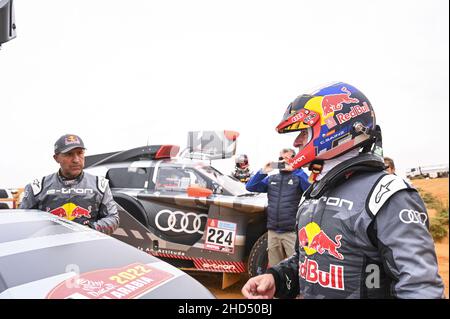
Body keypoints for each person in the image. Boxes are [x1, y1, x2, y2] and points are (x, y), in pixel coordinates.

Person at [242, 82, 445, 299]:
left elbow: (421, 289)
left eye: (304, 131)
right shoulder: (313, 193)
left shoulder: (387, 195)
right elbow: (308, 258)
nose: (297, 141)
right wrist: (277, 278)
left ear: (333, 126)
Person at [20, 134, 119, 235]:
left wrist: (91, 228)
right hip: (50, 246)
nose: (76, 160)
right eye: (69, 154)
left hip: (87, 245)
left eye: (80, 153)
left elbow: (113, 218)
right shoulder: (37, 187)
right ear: (56, 158)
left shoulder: (100, 185)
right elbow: (23, 221)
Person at [245, 148, 310, 268]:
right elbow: (250, 186)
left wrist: (296, 169)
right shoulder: (272, 178)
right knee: (275, 268)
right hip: (273, 232)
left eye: (287, 158)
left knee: (296, 268)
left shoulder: (298, 177)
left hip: (291, 233)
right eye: (281, 159)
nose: (283, 161)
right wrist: (263, 171)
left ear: (294, 160)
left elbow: (310, 189)